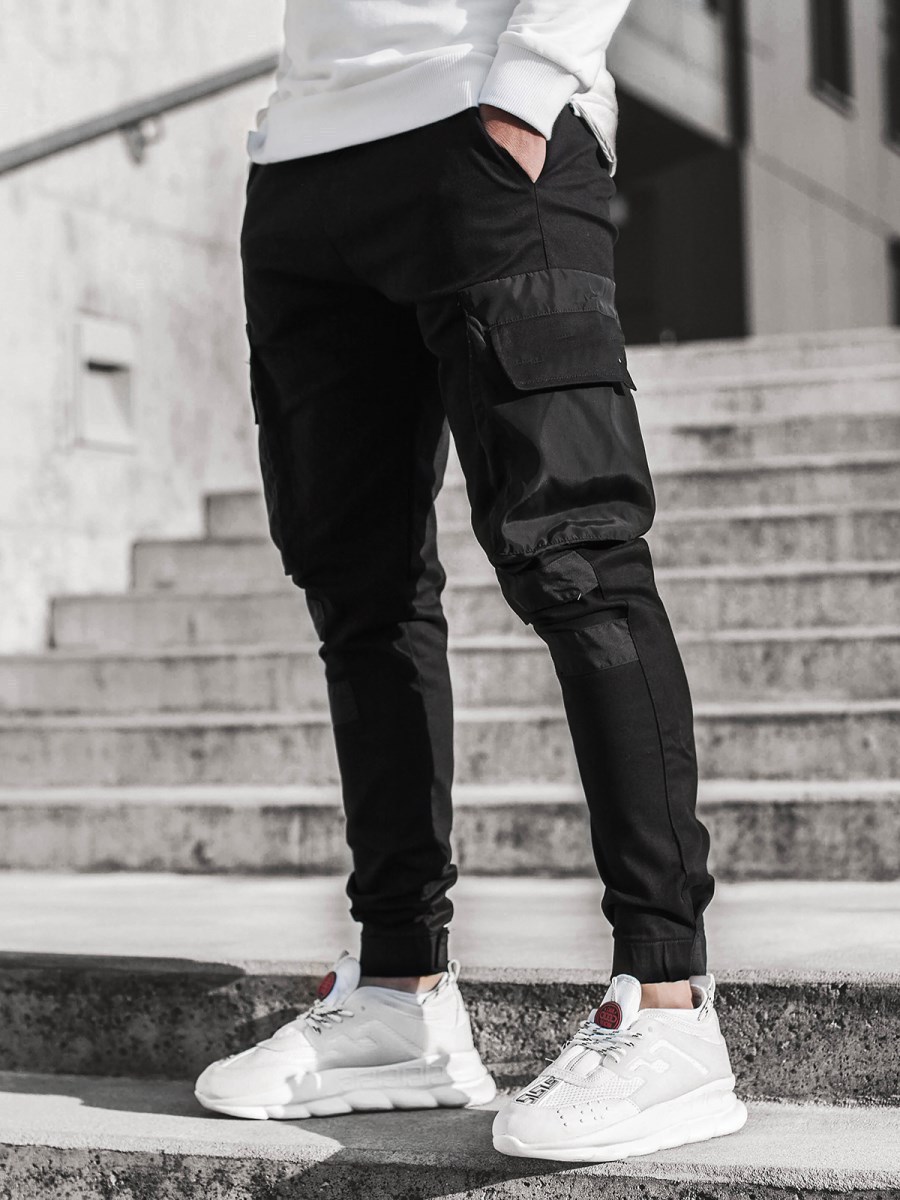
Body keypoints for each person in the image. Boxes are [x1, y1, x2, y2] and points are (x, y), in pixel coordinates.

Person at [194, 0, 748, 1161]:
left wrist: (530, 84)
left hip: (484, 126)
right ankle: (400, 996)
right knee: (358, 591)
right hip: (304, 166)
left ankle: (669, 1003)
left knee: (578, 559)